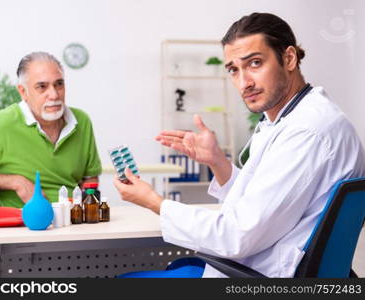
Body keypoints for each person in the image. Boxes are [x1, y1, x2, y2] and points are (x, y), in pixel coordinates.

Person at [114, 13, 365, 277]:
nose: (244, 83)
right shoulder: (293, 118)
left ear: (289, 58)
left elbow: (236, 236)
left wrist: (154, 202)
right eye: (234, 70)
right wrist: (217, 161)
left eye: (255, 63)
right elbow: (262, 204)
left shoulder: (307, 131)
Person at [0, 52, 102, 207]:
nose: (54, 94)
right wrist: (15, 181)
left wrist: (86, 212)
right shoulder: (1, 124)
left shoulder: (81, 121)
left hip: (74, 221)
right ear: (23, 92)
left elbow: (90, 178)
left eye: (59, 84)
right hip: (24, 226)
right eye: (42, 87)